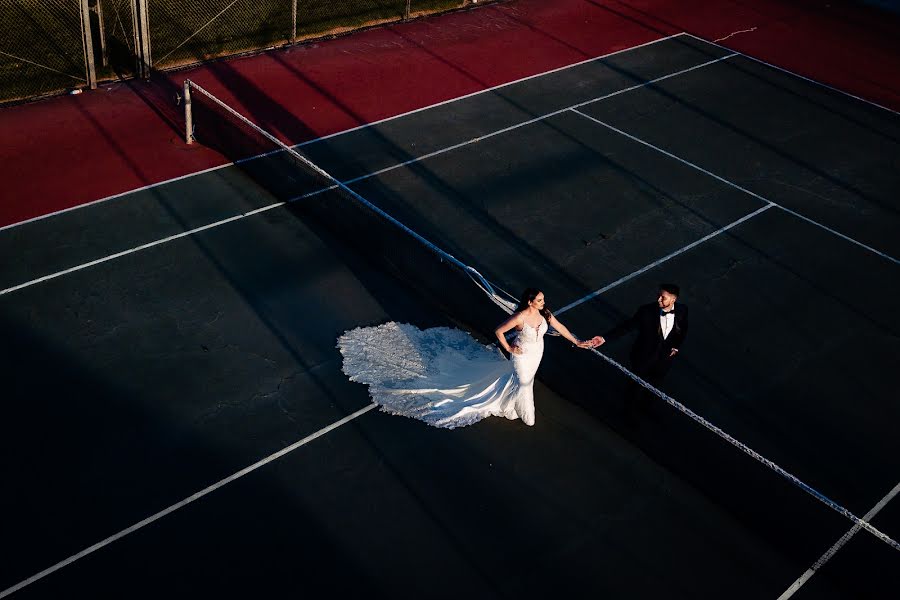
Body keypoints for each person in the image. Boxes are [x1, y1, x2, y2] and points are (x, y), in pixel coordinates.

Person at [337, 288, 592, 428]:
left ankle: (508, 401)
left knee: (526, 380)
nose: (543, 302)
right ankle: (527, 415)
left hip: (537, 354)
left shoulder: (545, 314)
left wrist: (579, 342)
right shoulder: (521, 317)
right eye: (539, 299)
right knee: (523, 382)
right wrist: (510, 349)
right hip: (521, 356)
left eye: (543, 299)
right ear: (529, 301)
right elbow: (498, 332)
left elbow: (561, 328)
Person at [591, 283, 688, 422]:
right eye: (658, 295)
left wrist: (676, 346)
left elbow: (683, 329)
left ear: (674, 300)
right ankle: (628, 414)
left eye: (663, 297)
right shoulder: (646, 311)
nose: (659, 300)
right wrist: (604, 338)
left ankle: (645, 408)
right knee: (635, 387)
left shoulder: (682, 310)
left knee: (654, 386)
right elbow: (627, 326)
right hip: (643, 357)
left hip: (664, 360)